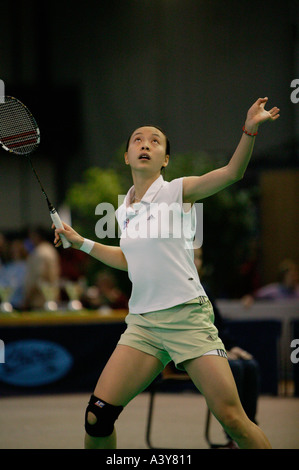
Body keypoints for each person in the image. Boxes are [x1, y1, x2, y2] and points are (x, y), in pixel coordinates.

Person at [53, 97, 279, 449]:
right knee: (97, 418)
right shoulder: (123, 207)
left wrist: (249, 129)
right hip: (143, 324)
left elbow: (233, 172)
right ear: (127, 156)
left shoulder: (178, 192)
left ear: (165, 159)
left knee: (233, 419)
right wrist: (80, 241)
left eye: (155, 140)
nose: (146, 143)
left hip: (187, 315)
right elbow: (130, 260)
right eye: (138, 139)